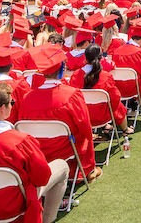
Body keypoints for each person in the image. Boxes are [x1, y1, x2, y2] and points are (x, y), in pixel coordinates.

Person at [0, 82, 69, 223]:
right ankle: (48, 220)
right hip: (14, 209)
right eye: (11, 102)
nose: (13, 105)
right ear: (3, 108)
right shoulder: (20, 142)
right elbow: (42, 178)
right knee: (62, 166)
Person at [17, 44, 101, 182]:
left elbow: (23, 125)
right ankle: (83, 171)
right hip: (64, 148)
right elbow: (85, 127)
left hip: (36, 149)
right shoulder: (71, 94)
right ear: (62, 69)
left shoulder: (27, 97)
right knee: (85, 135)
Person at [69, 44, 133, 135]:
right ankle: (125, 129)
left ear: (85, 58)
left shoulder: (75, 76)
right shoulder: (106, 76)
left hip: (82, 116)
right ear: (101, 58)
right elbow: (115, 99)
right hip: (103, 116)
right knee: (118, 105)